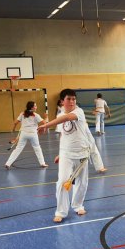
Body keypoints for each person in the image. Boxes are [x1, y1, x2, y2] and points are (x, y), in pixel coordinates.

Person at [38, 89, 91, 223]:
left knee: (82, 183)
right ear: (62, 101)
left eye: (74, 99)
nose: (72, 101)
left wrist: (46, 125)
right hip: (66, 154)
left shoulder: (79, 112)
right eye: (69, 99)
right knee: (62, 181)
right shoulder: (61, 114)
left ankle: (78, 205)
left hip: (82, 153)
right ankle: (61, 212)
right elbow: (64, 134)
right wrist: (60, 153)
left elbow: (67, 118)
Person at [5, 101, 48, 169]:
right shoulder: (36, 115)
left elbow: (15, 123)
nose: (36, 107)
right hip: (33, 134)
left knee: (18, 149)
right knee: (37, 148)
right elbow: (45, 123)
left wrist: (13, 129)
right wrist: (46, 117)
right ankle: (42, 163)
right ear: (32, 107)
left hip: (23, 134)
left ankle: (8, 163)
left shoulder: (22, 114)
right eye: (35, 106)